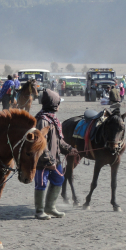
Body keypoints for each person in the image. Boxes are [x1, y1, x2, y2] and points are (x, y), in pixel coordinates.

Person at [33, 89, 77, 220]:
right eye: (58, 103)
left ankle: (50, 208)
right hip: (43, 161)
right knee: (41, 183)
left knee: (59, 179)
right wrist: (48, 161)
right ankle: (39, 211)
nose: (59, 106)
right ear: (54, 104)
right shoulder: (43, 121)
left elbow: (59, 140)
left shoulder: (54, 119)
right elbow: (40, 143)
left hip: (54, 159)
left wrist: (69, 148)